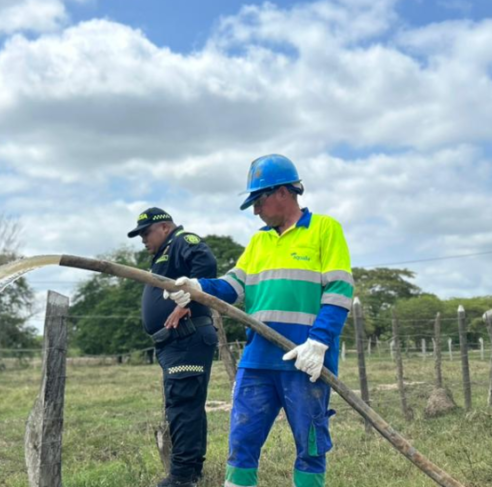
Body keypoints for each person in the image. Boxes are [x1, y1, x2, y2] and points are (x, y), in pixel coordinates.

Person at [164, 155, 354, 487]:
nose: (255, 210)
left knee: (310, 446)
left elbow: (339, 290)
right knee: (242, 441)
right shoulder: (259, 241)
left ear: (283, 192)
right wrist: (196, 288)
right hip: (257, 360)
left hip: (306, 360)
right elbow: (232, 287)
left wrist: (319, 342)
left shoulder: (325, 229)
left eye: (258, 200)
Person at [128, 206, 219, 487]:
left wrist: (187, 302)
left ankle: (181, 478)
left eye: (146, 232)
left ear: (165, 227)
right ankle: (192, 470)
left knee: (181, 405)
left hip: (186, 337)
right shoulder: (164, 254)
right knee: (188, 404)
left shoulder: (181, 242)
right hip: (177, 341)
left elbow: (207, 264)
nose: (143, 239)